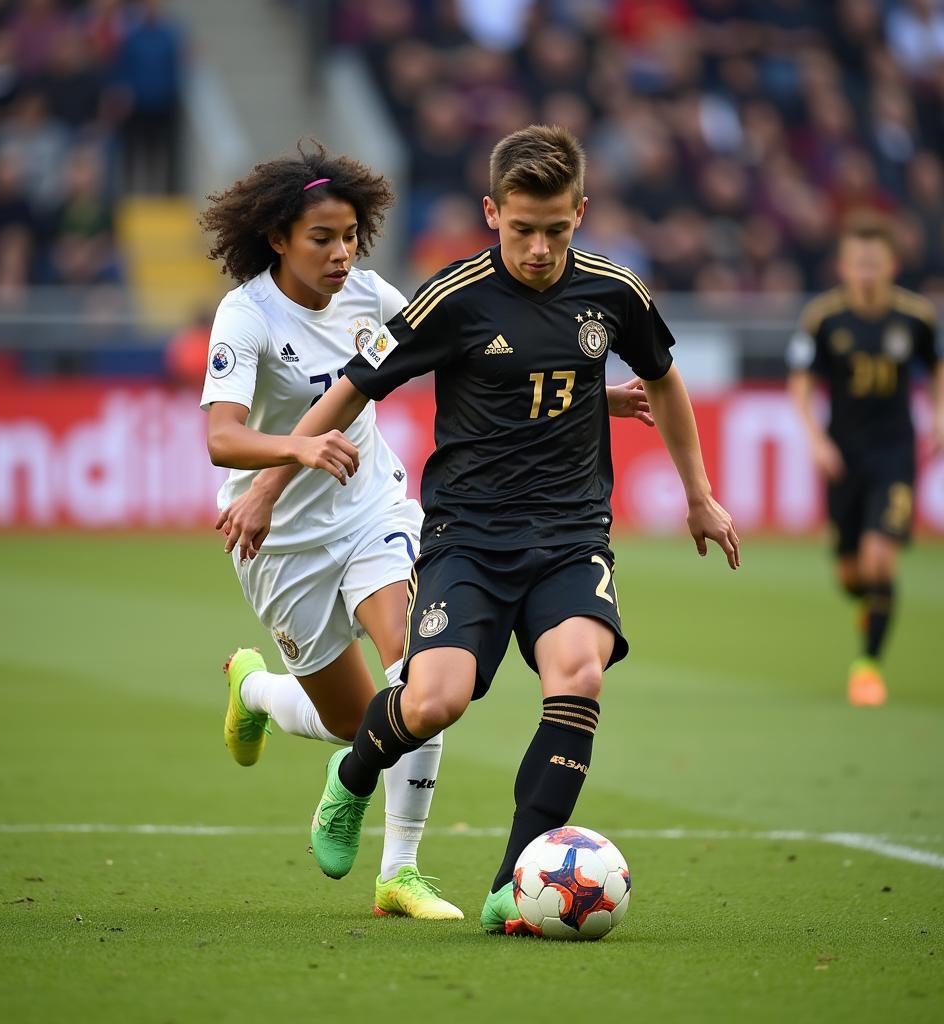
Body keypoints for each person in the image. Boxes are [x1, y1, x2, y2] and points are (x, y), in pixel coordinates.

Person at [217, 124, 739, 933]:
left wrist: (699, 495)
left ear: (581, 214)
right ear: (492, 212)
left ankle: (511, 888)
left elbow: (664, 382)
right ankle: (352, 779)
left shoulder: (616, 294)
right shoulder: (448, 299)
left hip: (571, 535)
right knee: (431, 701)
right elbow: (352, 391)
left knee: (581, 676)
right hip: (468, 537)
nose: (537, 248)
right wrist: (268, 485)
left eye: (556, 230)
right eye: (522, 229)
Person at [787, 215, 943, 706]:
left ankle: (868, 667)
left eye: (876, 264)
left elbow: (937, 368)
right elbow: (802, 383)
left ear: (892, 264)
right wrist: (816, 440)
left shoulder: (916, 317)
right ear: (844, 267)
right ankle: (873, 607)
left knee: (880, 559)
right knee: (852, 575)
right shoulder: (825, 318)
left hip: (895, 452)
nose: (868, 273)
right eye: (859, 264)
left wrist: (939, 417)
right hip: (844, 455)